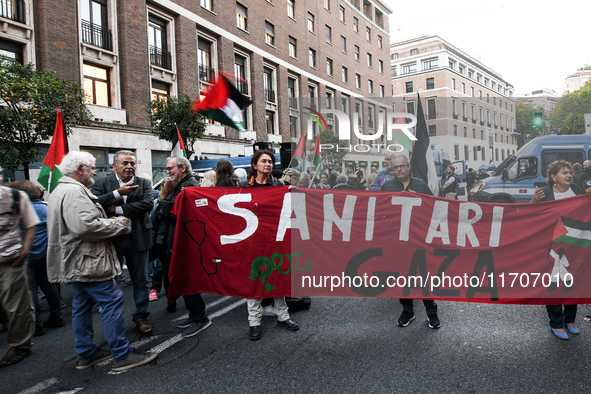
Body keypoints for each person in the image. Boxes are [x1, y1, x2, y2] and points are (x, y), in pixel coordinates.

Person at [47, 151, 157, 371]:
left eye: (132, 163)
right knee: (111, 301)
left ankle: (86, 353)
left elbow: (146, 204)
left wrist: (113, 210)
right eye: (92, 167)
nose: (95, 172)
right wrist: (119, 223)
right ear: (80, 169)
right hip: (90, 260)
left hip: (82, 258)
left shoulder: (60, 190)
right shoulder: (76, 192)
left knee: (81, 304)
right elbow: (86, 226)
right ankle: (122, 354)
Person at [91, 150, 154, 336]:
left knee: (141, 281)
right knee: (111, 282)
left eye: (132, 163)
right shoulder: (102, 183)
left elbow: (148, 204)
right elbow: (95, 203)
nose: (129, 167)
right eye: (125, 163)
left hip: (138, 240)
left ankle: (141, 317)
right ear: (114, 166)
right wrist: (118, 193)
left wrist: (117, 209)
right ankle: (114, 320)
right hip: (112, 242)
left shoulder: (143, 183)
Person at [239, 150, 299, 340]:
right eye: (264, 161)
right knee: (254, 281)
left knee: (277, 277)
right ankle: (254, 322)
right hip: (252, 240)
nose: (268, 164)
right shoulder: (243, 187)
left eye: (270, 161)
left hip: (274, 240)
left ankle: (283, 316)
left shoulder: (280, 185)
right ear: (254, 165)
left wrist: (292, 193)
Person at [380, 153, 441, 329]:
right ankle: (408, 311)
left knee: (424, 277)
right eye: (395, 167)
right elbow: (380, 212)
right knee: (401, 278)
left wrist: (420, 200)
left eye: (401, 166)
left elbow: (435, 208)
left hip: (420, 240)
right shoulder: (387, 186)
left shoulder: (421, 185)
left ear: (409, 167)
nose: (398, 169)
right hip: (398, 241)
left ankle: (431, 312)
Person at [531, 159, 584, 340]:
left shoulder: (577, 191)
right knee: (553, 284)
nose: (568, 175)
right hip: (551, 246)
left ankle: (570, 321)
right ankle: (556, 323)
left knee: (572, 282)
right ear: (553, 177)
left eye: (569, 172)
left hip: (575, 246)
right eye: (563, 172)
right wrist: (533, 202)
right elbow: (532, 217)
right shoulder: (544, 193)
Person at [160, 156, 212, 338]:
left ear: (182, 168)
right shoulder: (182, 185)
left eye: (170, 168)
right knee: (184, 280)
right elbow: (168, 209)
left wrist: (165, 206)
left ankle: (200, 317)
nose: (167, 172)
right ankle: (194, 314)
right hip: (178, 239)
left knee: (188, 280)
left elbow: (173, 212)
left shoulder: (189, 187)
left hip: (186, 242)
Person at [8, 181, 63, 337]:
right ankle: (56, 316)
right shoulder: (45, 208)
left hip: (26, 255)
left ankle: (36, 325)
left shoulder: (20, 210)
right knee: (49, 285)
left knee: (31, 289)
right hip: (44, 253)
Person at [0, 177, 37, 368]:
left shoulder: (14, 197)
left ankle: (21, 345)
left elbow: (30, 225)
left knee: (17, 306)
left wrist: (24, 252)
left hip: (10, 262)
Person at [149, 179, 178, 310]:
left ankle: (170, 300)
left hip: (162, 242)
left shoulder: (159, 206)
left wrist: (152, 245)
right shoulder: (179, 205)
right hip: (176, 241)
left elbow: (153, 226)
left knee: (166, 271)